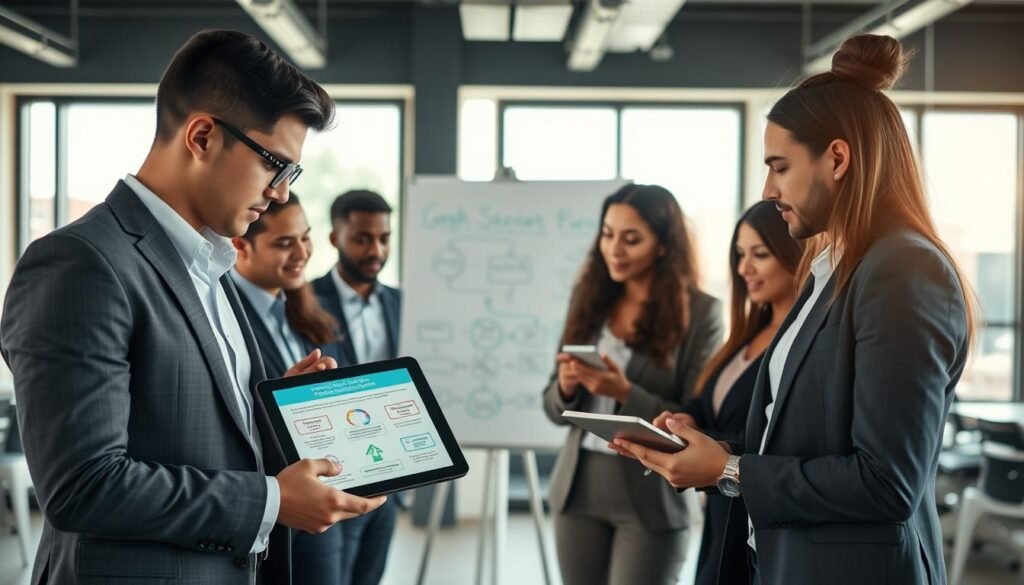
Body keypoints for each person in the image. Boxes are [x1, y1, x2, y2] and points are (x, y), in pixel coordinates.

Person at [0, 30, 386, 585]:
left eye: (291, 174)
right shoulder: (79, 263)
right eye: (274, 163)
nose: (280, 192)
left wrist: (276, 412)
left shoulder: (210, 263)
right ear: (202, 137)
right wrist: (272, 502)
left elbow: (190, 434)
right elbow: (83, 485)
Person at [611, 34, 976, 585]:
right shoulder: (831, 272)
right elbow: (806, 442)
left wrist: (730, 470)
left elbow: (886, 483)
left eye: (779, 167)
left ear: (837, 158)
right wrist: (713, 451)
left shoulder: (904, 271)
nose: (768, 188)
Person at [542, 184, 724, 585]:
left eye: (631, 239)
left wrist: (622, 392)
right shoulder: (588, 299)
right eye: (607, 234)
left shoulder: (702, 313)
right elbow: (553, 408)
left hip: (651, 494)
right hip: (578, 489)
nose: (614, 249)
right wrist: (567, 387)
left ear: (663, 245)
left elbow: (696, 413)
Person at [674, 201, 802, 585]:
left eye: (759, 254)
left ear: (793, 253)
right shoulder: (745, 336)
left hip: (755, 517)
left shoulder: (800, 343)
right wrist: (688, 418)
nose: (744, 268)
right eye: (740, 255)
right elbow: (709, 400)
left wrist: (713, 450)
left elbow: (783, 437)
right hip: (720, 514)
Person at [230, 194, 350, 585]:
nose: (302, 252)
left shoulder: (306, 312)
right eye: (284, 243)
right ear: (240, 245)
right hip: (262, 509)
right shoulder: (223, 315)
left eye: (305, 237)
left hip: (321, 505)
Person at [311, 189, 399, 585]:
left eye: (383, 238)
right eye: (362, 238)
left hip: (393, 473)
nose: (375, 249)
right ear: (335, 238)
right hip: (333, 474)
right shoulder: (305, 300)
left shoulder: (402, 304)